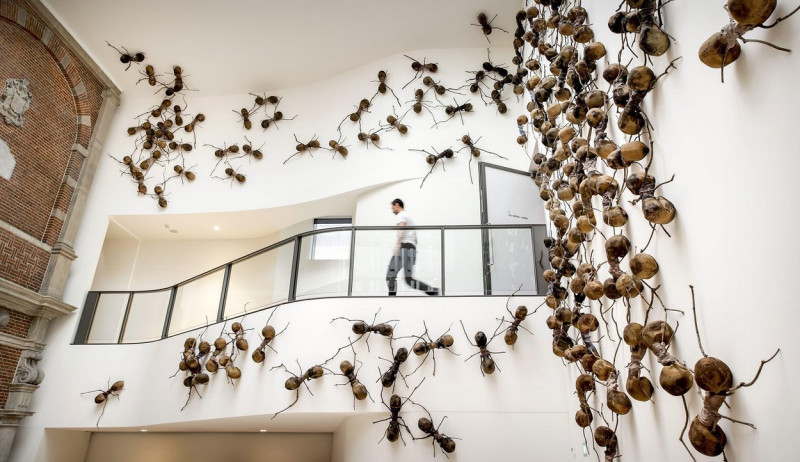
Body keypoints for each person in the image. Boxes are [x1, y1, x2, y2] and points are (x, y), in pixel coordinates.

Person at [386, 198, 439, 296]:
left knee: (390, 275)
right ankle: (432, 290)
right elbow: (416, 240)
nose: (392, 210)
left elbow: (401, 228)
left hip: (404, 247)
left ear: (397, 204)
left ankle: (391, 299)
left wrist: (397, 244)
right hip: (412, 249)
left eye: (392, 207)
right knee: (409, 279)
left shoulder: (401, 215)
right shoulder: (409, 217)